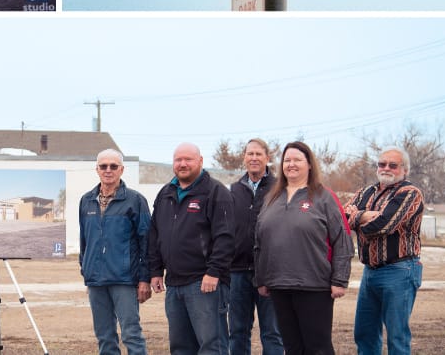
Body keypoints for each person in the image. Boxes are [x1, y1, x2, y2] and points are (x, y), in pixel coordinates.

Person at [254, 141, 354, 355]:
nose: (291, 164)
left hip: (314, 285)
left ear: (309, 164)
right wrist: (261, 279)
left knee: (317, 348)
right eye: (287, 160)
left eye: (297, 160)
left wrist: (339, 280)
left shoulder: (323, 196)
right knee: (291, 347)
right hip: (279, 285)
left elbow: (342, 239)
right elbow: (260, 242)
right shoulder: (272, 198)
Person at [148, 142, 234, 354]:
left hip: (204, 284)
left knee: (211, 346)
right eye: (178, 160)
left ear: (201, 161)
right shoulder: (165, 193)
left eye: (188, 159)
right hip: (174, 284)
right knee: (180, 347)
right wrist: (156, 271)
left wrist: (214, 272)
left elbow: (226, 238)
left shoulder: (216, 192)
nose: (183, 164)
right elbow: (155, 234)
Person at [345, 146, 424, 355]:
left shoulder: (409, 193)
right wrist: (363, 216)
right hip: (369, 272)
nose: (386, 168)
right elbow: (342, 217)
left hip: (400, 270)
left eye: (393, 165)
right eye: (382, 164)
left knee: (397, 336)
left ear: (404, 170)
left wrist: (357, 217)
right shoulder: (365, 192)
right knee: (364, 333)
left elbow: (382, 226)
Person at [79, 149, 151, 355]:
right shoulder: (86, 201)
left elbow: (147, 242)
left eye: (113, 166)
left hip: (124, 280)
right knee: (104, 337)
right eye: (103, 166)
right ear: (97, 169)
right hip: (96, 282)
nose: (108, 170)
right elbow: (85, 240)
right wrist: (86, 271)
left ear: (121, 169)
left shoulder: (136, 201)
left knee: (131, 335)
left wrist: (144, 279)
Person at [228, 138, 284, 355]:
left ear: (267, 158)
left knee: (272, 332)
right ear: (244, 158)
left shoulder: (280, 188)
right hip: (238, 272)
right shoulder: (234, 189)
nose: (253, 158)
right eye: (250, 154)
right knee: (238, 331)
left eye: (258, 154)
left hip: (270, 272)